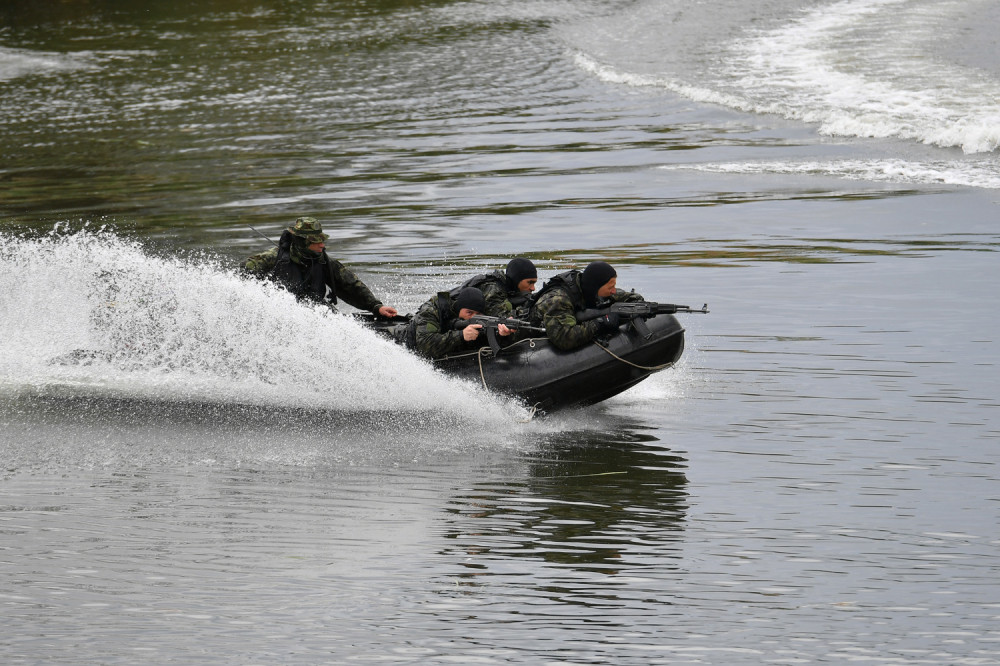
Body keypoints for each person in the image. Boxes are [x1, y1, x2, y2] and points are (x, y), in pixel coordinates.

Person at [244, 217, 397, 318]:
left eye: (322, 240)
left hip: (317, 314)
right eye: (317, 241)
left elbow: (350, 285)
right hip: (281, 314)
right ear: (303, 242)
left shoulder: (324, 262)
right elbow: (241, 277)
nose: (322, 245)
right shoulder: (272, 259)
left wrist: (376, 307)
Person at [530, 261, 644, 351]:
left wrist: (634, 312)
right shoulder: (559, 300)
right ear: (596, 287)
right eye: (610, 287)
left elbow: (633, 298)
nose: (614, 291)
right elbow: (564, 338)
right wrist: (600, 323)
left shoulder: (593, 290)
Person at [404, 286, 513, 359]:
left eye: (478, 314)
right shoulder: (433, 310)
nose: (473, 317)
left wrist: (502, 335)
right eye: (469, 312)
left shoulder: (482, 320)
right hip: (404, 340)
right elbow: (424, 345)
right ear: (458, 309)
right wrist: (461, 335)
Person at [456, 257, 539, 318]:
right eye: (530, 282)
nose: (533, 288)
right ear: (516, 280)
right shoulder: (492, 289)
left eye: (534, 283)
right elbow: (501, 317)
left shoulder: (508, 289)